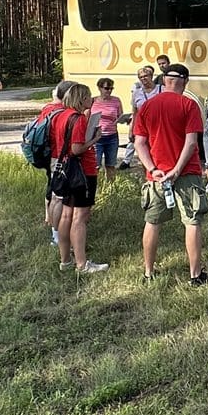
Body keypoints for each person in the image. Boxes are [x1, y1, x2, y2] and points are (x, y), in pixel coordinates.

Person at [133, 63, 208, 284]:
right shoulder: (189, 105)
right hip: (186, 173)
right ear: (185, 81)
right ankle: (195, 275)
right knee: (192, 221)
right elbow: (191, 142)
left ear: (163, 80)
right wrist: (177, 170)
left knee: (152, 222)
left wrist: (152, 169)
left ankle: (148, 273)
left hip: (156, 175)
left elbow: (140, 143)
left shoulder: (147, 106)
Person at [50, 83, 108, 274]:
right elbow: (76, 149)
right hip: (82, 173)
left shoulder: (61, 115)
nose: (90, 100)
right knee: (80, 218)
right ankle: (82, 264)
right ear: (80, 98)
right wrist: (95, 139)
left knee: (67, 215)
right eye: (88, 96)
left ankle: (65, 260)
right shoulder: (79, 119)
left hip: (66, 171)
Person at [37, 80, 77, 246]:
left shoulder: (48, 108)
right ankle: (59, 236)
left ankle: (54, 232)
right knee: (60, 198)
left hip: (49, 156)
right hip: (62, 159)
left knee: (54, 195)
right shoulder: (65, 113)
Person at [120, 66, 161, 170]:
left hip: (159, 127)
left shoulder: (161, 89)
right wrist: (131, 130)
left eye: (146, 76)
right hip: (143, 128)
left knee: (158, 153)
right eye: (141, 77)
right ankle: (148, 178)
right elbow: (134, 113)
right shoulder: (137, 93)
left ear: (151, 76)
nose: (143, 79)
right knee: (144, 154)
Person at [91, 77, 124, 181]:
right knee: (95, 165)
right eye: (106, 88)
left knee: (111, 164)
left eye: (111, 88)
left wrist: (122, 119)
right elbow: (87, 118)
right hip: (96, 137)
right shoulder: (93, 101)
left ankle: (111, 186)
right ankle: (95, 186)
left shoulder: (116, 100)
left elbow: (120, 115)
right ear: (99, 88)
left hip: (112, 136)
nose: (109, 91)